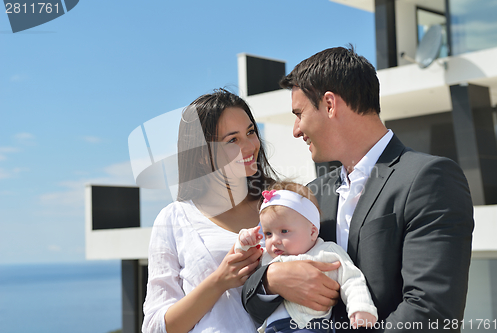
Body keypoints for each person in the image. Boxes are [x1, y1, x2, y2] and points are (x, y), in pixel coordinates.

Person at [242, 46, 474, 332]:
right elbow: (251, 294)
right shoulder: (311, 195)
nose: (296, 129)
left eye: (299, 113)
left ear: (329, 104)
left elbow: (430, 311)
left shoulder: (429, 178)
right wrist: (273, 279)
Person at [142, 89, 277, 333]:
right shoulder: (174, 219)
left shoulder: (278, 203)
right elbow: (155, 327)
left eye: (250, 132)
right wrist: (219, 281)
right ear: (203, 156)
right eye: (232, 140)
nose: (250, 146)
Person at [235, 181, 377, 333]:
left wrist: (360, 307)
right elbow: (245, 264)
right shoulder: (268, 258)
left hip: (310, 326)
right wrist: (245, 242)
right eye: (268, 233)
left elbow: (351, 279)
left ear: (312, 232)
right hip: (272, 328)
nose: (274, 240)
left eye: (284, 231)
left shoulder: (327, 252)